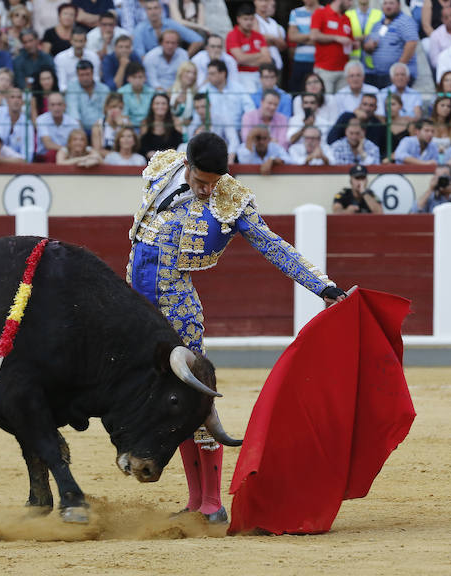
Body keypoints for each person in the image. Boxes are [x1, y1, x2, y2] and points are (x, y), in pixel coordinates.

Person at [126, 132, 347, 525]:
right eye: (200, 182)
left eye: (213, 183)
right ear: (187, 166)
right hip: (138, 310)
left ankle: (211, 504)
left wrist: (323, 286)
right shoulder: (163, 167)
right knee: (171, 403)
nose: (207, 190)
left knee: (196, 400)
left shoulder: (231, 198)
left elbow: (273, 245)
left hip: (178, 311)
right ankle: (195, 501)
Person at [362, 0, 419, 88]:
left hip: (397, 75)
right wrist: (368, 47)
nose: (388, 6)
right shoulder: (378, 24)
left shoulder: (406, 21)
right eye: (385, 3)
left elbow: (412, 43)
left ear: (399, 5)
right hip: (377, 74)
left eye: (391, 3)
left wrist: (398, 69)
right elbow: (367, 47)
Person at [310, 0, 355, 94]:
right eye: (349, 1)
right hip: (325, 69)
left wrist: (354, 44)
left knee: (341, 103)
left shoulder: (347, 18)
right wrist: (335, 38)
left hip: (343, 70)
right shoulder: (321, 13)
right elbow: (314, 35)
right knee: (326, 101)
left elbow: (349, 41)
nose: (351, 4)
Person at [225, 1, 271, 92]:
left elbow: (267, 59)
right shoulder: (232, 35)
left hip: (259, 74)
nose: (249, 22)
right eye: (245, 19)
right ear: (238, 19)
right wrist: (259, 54)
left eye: (251, 19)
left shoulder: (259, 36)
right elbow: (240, 59)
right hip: (240, 74)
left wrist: (247, 59)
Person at [133, 0, 203, 58]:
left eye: (155, 8)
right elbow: (141, 55)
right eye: (149, 9)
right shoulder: (139, 29)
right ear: (146, 11)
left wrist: (184, 58)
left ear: (161, 10)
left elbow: (198, 40)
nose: (153, 12)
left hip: (173, 64)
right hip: (151, 67)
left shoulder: (171, 24)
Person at [288, 74, 340, 144]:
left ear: (322, 85)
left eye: (316, 82)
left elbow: (333, 125)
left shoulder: (331, 99)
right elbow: (300, 120)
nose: (313, 85)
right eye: (309, 83)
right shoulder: (298, 100)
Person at [65, 59, 110, 133]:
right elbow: (73, 113)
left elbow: (106, 112)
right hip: (79, 129)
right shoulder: (71, 88)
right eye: (82, 75)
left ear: (92, 73)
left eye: (87, 74)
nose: (85, 78)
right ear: (77, 75)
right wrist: (81, 133)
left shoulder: (104, 89)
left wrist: (98, 130)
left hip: (101, 128)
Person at [35, 91, 80, 161]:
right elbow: (48, 144)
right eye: (53, 105)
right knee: (51, 154)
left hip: (67, 156)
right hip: (45, 158)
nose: (56, 108)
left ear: (64, 106)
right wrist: (65, 150)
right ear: (48, 107)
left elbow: (78, 143)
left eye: (59, 104)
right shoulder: (41, 120)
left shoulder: (73, 123)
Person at [55, 25, 100, 91]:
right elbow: (62, 85)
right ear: (71, 41)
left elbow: (96, 79)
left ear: (86, 41)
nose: (78, 45)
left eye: (81, 41)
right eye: (76, 41)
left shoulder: (94, 57)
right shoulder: (60, 58)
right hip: (70, 94)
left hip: (90, 92)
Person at [139, 92, 183, 159]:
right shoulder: (145, 122)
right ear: (152, 106)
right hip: (149, 161)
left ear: (168, 106)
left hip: (170, 160)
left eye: (163, 104)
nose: (160, 106)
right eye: (157, 104)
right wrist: (148, 153)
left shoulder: (175, 121)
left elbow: (179, 143)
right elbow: (142, 146)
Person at [289, 0, 320, 91]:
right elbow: (292, 36)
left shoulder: (325, 11)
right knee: (298, 91)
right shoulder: (295, 12)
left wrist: (301, 38)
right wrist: (314, 36)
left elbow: (327, 38)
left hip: (320, 61)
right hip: (300, 60)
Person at [344, 0, 382, 76]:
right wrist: (357, 38)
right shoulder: (348, 14)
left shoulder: (379, 14)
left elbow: (384, 31)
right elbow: (344, 34)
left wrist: (372, 37)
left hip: (372, 59)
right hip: (353, 58)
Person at [118, 61, 154, 128]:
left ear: (145, 78)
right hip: (128, 127)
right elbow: (123, 115)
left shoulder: (152, 92)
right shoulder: (121, 92)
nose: (137, 80)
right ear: (128, 78)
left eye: (140, 77)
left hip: (148, 126)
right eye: (134, 77)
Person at [254, 0, 286, 73]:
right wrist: (274, 39)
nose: (264, 4)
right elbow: (256, 40)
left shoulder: (273, 22)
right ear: (255, 2)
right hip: (262, 65)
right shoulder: (253, 18)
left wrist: (270, 39)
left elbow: (283, 46)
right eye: (262, 1)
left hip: (277, 64)